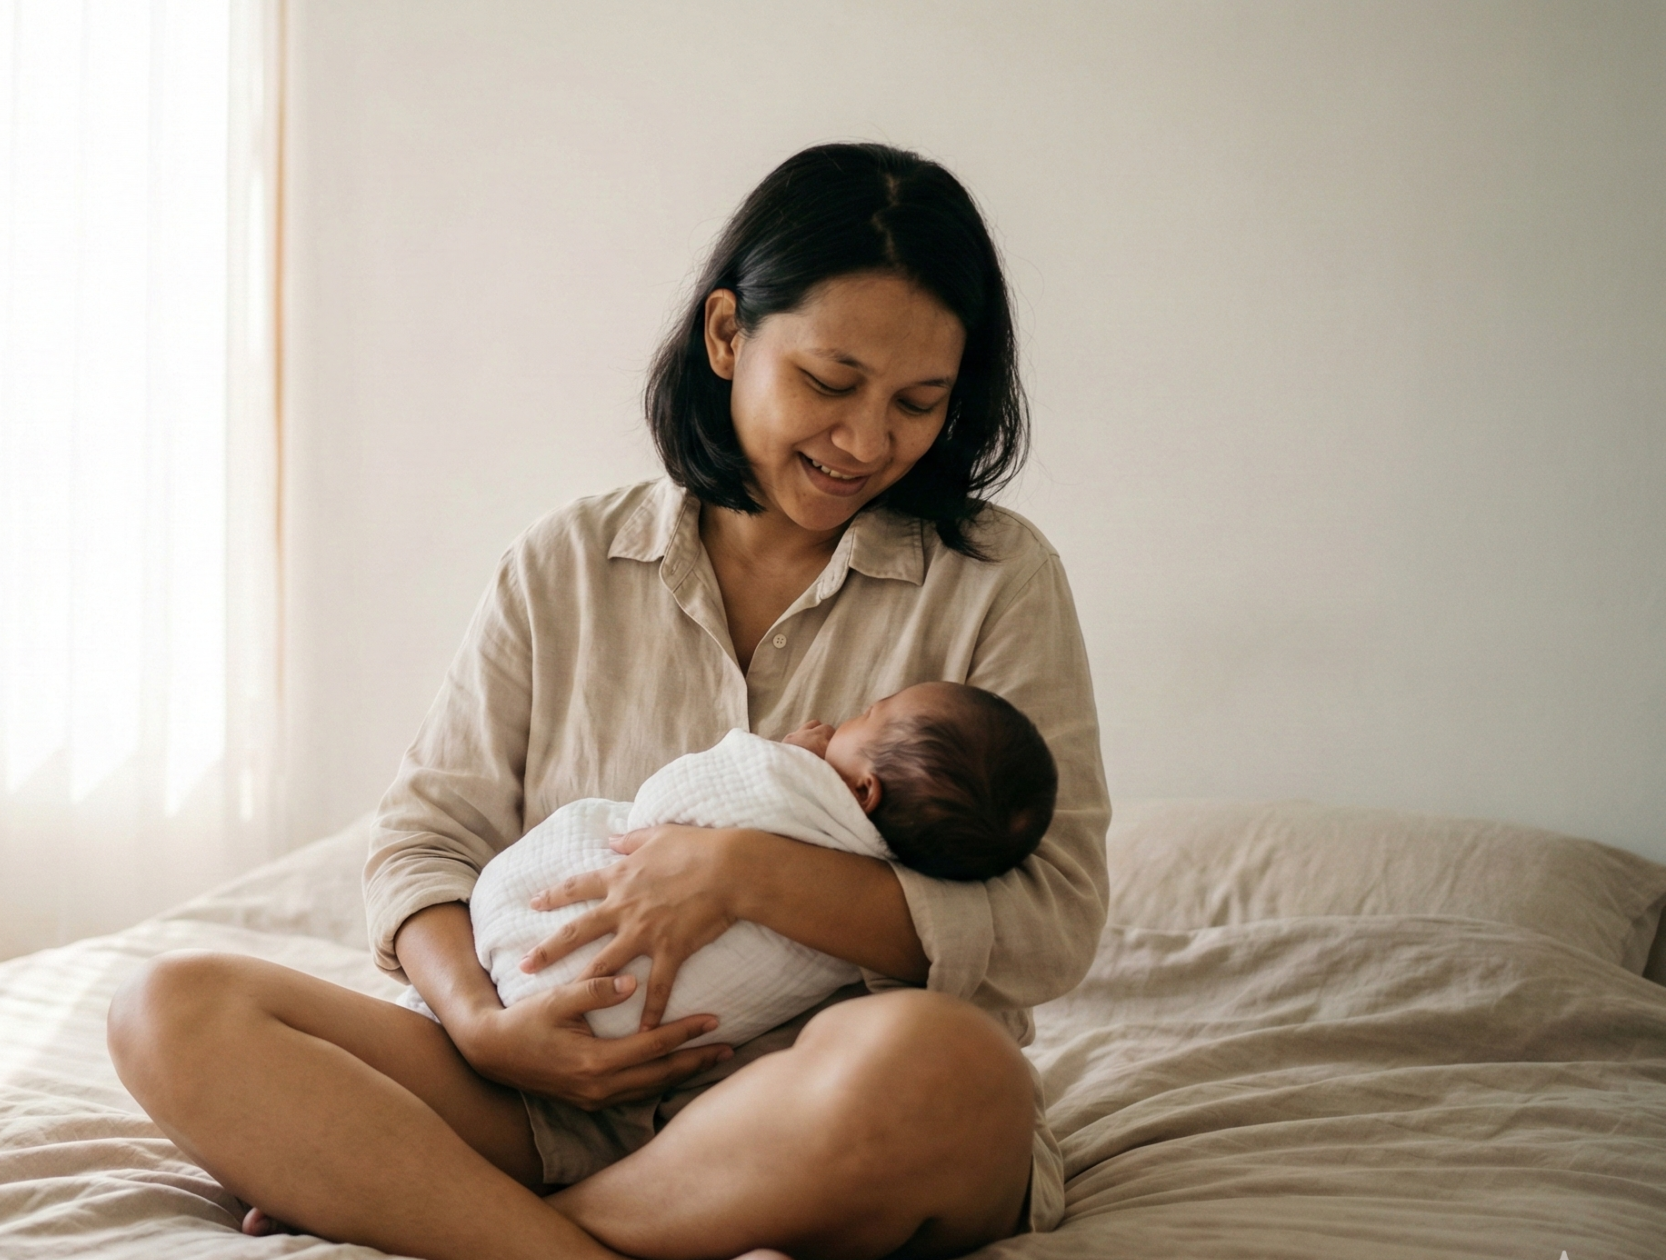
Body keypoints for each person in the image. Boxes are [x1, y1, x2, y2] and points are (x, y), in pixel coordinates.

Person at [109, 141, 1109, 1260]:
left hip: (809, 1109)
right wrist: (487, 1032)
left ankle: (470, 1223)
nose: (866, 441)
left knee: (951, 1073)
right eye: (828, 384)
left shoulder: (994, 581)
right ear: (727, 336)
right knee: (171, 1010)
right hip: (539, 1093)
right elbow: (423, 846)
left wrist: (744, 871)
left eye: (918, 403)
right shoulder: (567, 563)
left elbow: (1050, 922)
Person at [441, 681, 1059, 1052]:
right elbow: (423, 837)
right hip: (556, 1029)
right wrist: (475, 1026)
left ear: (865, 793)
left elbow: (666, 808)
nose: (850, 716)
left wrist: (780, 760)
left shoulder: (805, 796)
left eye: (869, 714)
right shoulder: (885, 893)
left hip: (540, 973)